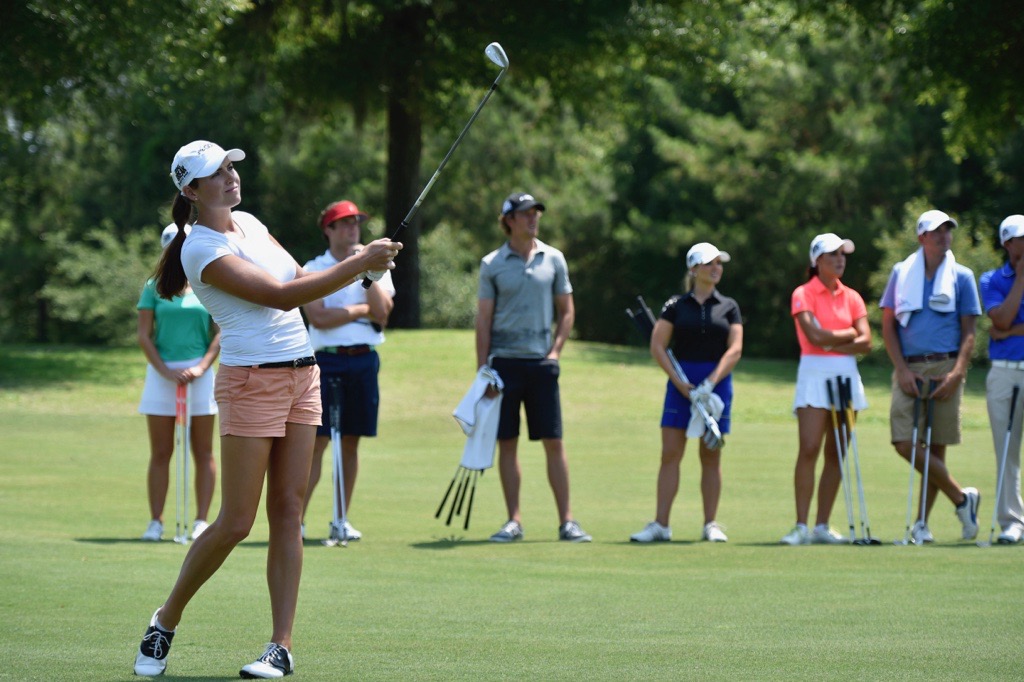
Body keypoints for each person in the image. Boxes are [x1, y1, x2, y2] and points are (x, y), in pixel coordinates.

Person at [133, 140, 400, 679]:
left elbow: (300, 279)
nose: (231, 177)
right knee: (236, 520)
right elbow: (279, 296)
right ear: (191, 190)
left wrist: (363, 272)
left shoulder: (250, 223)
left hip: (304, 375)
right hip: (250, 382)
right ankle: (166, 617)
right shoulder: (199, 250)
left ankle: (281, 645)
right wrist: (359, 262)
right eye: (218, 173)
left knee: (288, 510)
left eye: (232, 167)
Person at [475, 191, 591, 543]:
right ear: (508, 219)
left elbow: (567, 310)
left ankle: (567, 521)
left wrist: (556, 351)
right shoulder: (491, 263)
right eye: (526, 213)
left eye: (536, 213)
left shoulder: (553, 258)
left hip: (541, 363)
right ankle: (514, 521)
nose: (533, 218)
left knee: (553, 441)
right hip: (504, 365)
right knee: (507, 443)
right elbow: (483, 319)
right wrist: (483, 369)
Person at [879, 209, 981, 544]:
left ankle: (921, 525)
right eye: (936, 231)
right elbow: (888, 325)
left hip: (945, 368)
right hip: (909, 366)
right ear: (922, 236)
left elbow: (969, 331)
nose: (943, 236)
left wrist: (956, 373)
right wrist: (901, 369)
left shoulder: (962, 276)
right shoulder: (901, 272)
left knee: (936, 450)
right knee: (903, 441)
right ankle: (961, 498)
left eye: (947, 231)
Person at [630, 242, 743, 544]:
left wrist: (711, 381)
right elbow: (658, 346)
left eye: (719, 263)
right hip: (681, 384)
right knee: (670, 453)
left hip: (716, 385)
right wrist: (679, 383)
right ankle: (661, 525)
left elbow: (735, 348)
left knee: (711, 454)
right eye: (709, 263)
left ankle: (711, 524)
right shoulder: (675, 306)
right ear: (694, 269)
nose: (716, 268)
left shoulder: (729, 306)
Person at [300, 200, 395, 542]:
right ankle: (296, 520)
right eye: (344, 223)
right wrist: (359, 310)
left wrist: (368, 272)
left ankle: (341, 518)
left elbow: (382, 313)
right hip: (326, 362)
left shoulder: (375, 266)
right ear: (328, 229)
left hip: (364, 360)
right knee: (318, 442)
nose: (352, 227)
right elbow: (320, 318)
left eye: (356, 222)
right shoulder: (313, 268)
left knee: (351, 442)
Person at [780, 233, 872, 545]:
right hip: (813, 373)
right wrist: (848, 335)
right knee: (809, 448)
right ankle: (800, 526)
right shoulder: (803, 293)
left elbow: (867, 342)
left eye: (843, 254)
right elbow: (813, 337)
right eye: (833, 254)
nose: (840, 259)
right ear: (817, 260)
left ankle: (821, 526)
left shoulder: (853, 297)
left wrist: (833, 337)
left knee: (837, 452)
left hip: (846, 374)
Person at [137, 224, 221, 542]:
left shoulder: (208, 286)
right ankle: (156, 522)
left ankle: (201, 521)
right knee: (161, 452)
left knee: (204, 451)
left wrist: (201, 367)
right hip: (162, 374)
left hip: (200, 375)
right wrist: (164, 371)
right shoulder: (153, 286)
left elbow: (220, 333)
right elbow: (144, 335)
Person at [979, 214, 1024, 544]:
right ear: (1008, 243)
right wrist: (1021, 279)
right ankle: (1012, 520)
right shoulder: (991, 279)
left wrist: (1010, 331)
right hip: (1005, 372)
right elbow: (1001, 317)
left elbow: (1005, 326)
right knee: (1006, 449)